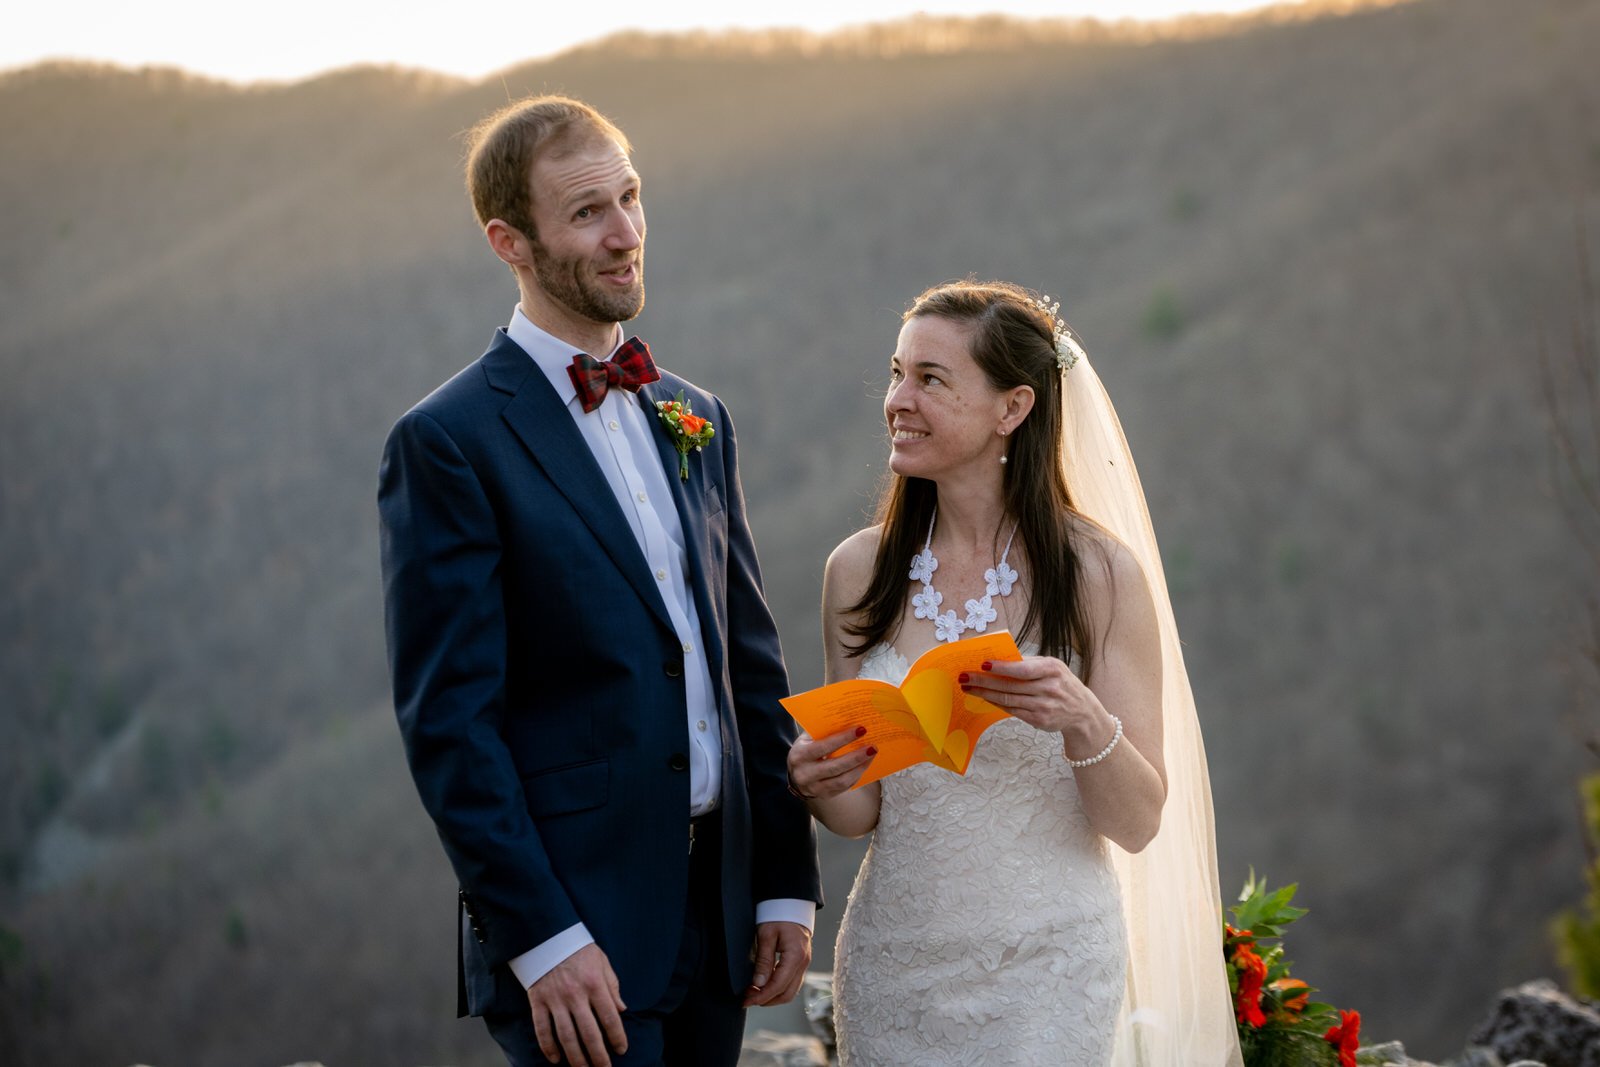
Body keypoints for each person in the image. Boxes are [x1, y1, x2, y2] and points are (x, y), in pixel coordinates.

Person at [378, 95, 821, 1067]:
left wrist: (782, 876)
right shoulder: (447, 442)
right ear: (511, 242)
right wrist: (540, 937)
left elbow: (750, 661)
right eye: (587, 213)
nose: (625, 234)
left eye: (630, 197)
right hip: (577, 942)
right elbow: (450, 722)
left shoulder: (693, 414)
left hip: (723, 919)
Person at [787, 280, 1243, 1065]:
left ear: (1013, 407)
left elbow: (1136, 823)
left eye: (931, 379)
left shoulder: (1099, 572)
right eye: (897, 373)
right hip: (896, 965)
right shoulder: (857, 570)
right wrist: (818, 777)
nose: (898, 398)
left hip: (1050, 965)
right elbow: (861, 815)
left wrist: (1082, 719)